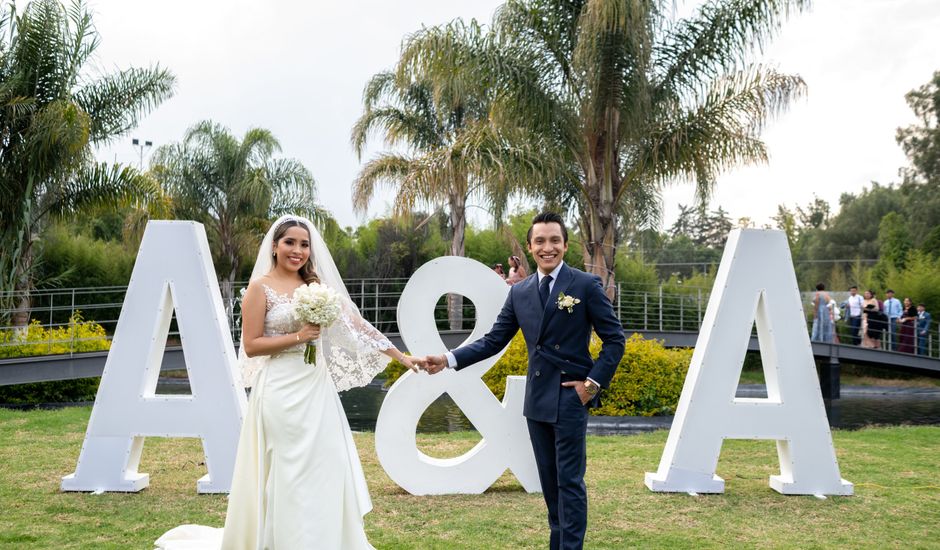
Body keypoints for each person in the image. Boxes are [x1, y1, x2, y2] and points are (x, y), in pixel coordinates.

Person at [155, 215, 419, 550]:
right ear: (275, 247)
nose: (298, 250)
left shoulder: (316, 289)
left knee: (326, 462)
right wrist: (299, 335)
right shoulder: (258, 288)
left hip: (315, 387)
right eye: (290, 242)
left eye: (304, 244)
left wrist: (403, 357)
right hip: (280, 388)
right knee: (288, 467)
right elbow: (251, 344)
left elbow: (356, 326)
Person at [420, 212, 625, 550]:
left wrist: (591, 385)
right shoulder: (519, 293)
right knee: (550, 483)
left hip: (570, 397)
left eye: (554, 241)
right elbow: (493, 340)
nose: (548, 248)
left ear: (565, 245)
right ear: (530, 247)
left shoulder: (585, 285)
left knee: (570, 482)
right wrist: (447, 359)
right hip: (538, 399)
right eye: (540, 241)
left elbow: (615, 340)